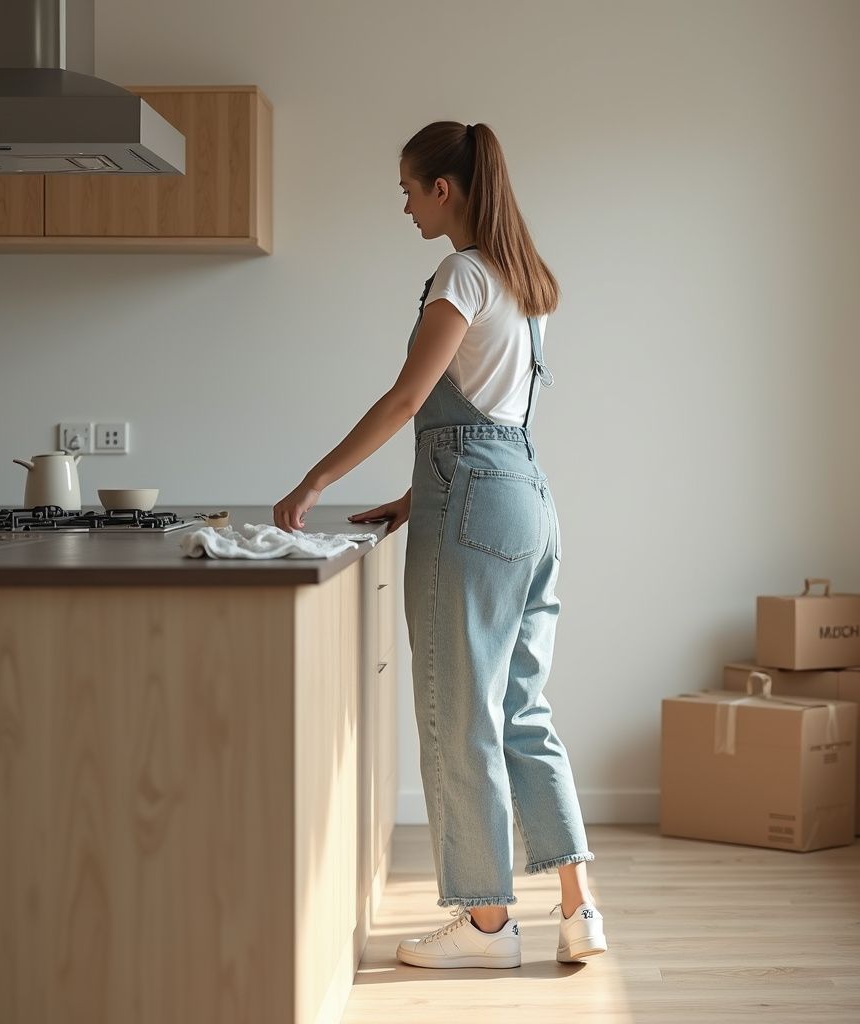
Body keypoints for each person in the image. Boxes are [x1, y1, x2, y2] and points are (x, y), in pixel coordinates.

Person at [273, 120, 607, 969]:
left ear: (445, 190)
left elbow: (405, 401)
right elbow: (494, 428)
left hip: (476, 510)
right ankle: (579, 909)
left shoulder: (461, 274)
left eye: (410, 190)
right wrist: (414, 497)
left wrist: (313, 481)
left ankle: (489, 927)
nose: (406, 205)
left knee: (457, 716)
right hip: (528, 504)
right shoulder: (524, 284)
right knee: (523, 711)